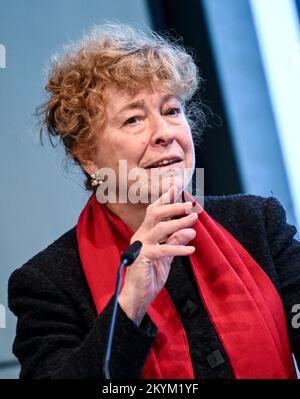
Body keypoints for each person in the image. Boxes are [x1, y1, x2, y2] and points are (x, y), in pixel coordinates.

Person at [8, 22, 300, 379]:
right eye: (133, 119)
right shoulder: (47, 283)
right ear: (87, 156)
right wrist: (131, 301)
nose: (164, 133)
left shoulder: (258, 223)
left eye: (172, 110)